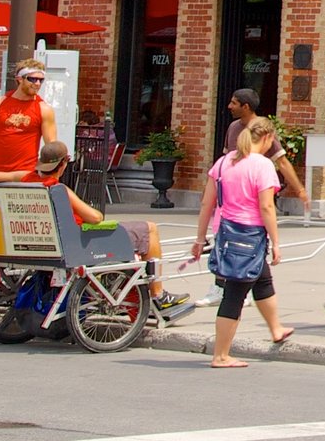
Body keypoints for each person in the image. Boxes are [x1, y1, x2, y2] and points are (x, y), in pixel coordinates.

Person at [34, 141, 191, 319]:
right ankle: (158, 295)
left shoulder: (28, 184)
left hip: (43, 242)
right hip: (79, 242)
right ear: (64, 163)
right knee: (150, 229)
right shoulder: (59, 189)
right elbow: (95, 217)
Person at [191, 116, 292, 367]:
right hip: (250, 234)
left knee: (262, 278)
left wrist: (199, 237)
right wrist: (277, 242)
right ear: (268, 138)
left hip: (226, 231)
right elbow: (267, 206)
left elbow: (207, 203)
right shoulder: (263, 165)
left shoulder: (224, 161)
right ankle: (221, 355)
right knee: (235, 292)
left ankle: (275, 328)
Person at [0, 62, 58, 189]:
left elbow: (51, 146)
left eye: (41, 80)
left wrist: (50, 174)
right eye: (32, 79)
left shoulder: (44, 109)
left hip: (25, 175)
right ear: (19, 79)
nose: (37, 83)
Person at [221, 89, 306, 200]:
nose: (229, 106)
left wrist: (300, 190)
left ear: (245, 107)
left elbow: (282, 162)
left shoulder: (263, 129)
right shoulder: (233, 127)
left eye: (234, 103)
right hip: (232, 193)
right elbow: (225, 161)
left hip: (255, 194)